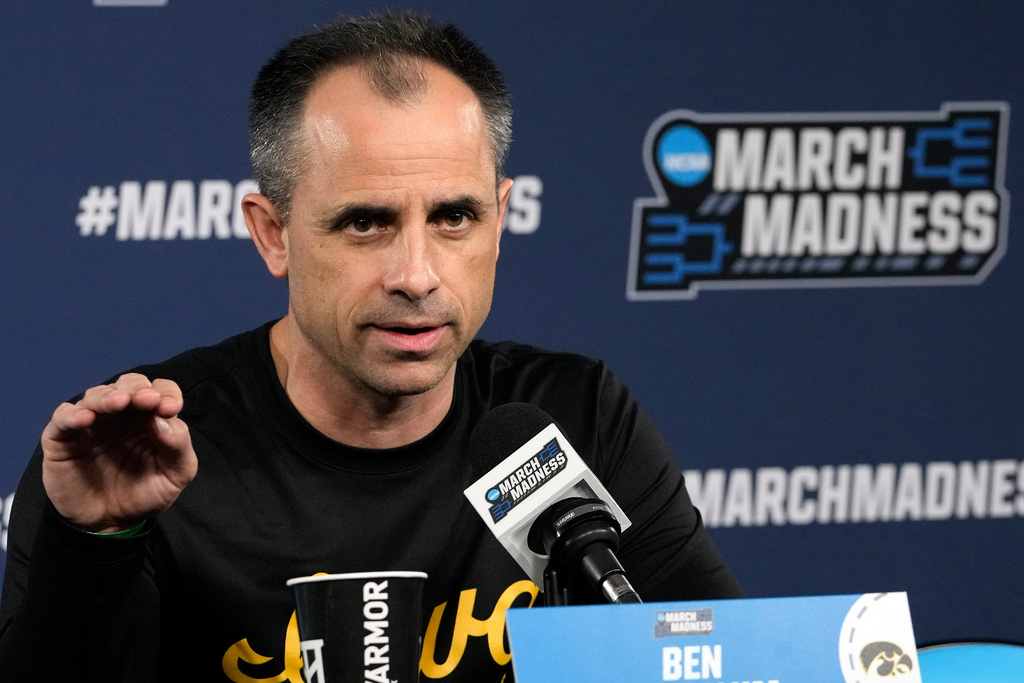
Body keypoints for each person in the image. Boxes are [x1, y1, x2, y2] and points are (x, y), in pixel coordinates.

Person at [0, 11, 742, 682]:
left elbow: (724, 663)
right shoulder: (134, 455)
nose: (416, 275)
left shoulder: (573, 415)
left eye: (455, 216)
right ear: (272, 232)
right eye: (365, 223)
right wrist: (98, 544)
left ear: (501, 216)